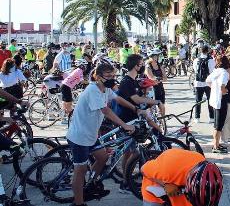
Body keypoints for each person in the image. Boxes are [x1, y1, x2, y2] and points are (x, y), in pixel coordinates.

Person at [66, 62, 139, 206]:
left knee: (103, 157)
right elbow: (105, 111)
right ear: (98, 77)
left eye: (113, 75)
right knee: (79, 171)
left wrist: (135, 109)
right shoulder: (93, 90)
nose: (112, 78)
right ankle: (78, 203)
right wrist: (124, 125)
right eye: (108, 76)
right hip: (80, 137)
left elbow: (117, 98)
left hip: (91, 136)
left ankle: (90, 184)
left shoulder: (105, 89)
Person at [116, 54, 162, 194]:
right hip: (126, 120)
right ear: (136, 65)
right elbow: (135, 99)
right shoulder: (127, 81)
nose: (142, 66)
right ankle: (125, 182)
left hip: (133, 119)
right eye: (141, 64)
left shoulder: (133, 80)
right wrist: (155, 102)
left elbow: (140, 97)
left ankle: (126, 180)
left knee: (130, 152)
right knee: (130, 152)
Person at [140, 149, 223, 206]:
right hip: (155, 188)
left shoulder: (201, 161)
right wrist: (165, 184)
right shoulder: (168, 168)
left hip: (181, 191)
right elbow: (143, 169)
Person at [206, 55, 230, 154]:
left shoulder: (216, 71)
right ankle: (216, 146)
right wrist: (224, 91)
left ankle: (216, 144)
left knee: (216, 124)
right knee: (219, 125)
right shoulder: (224, 73)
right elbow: (222, 85)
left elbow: (207, 81)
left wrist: (214, 88)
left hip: (214, 100)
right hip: (221, 101)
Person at [193, 45, 215, 123]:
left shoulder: (196, 60)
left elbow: (195, 70)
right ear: (207, 51)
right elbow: (212, 71)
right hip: (208, 83)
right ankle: (211, 117)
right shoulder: (211, 60)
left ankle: (197, 117)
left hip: (198, 83)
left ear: (200, 51)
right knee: (210, 100)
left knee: (198, 100)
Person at [145, 48, 167, 117]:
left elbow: (165, 78)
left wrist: (158, 79)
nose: (156, 58)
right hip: (151, 89)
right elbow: (151, 78)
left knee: (162, 106)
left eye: (157, 56)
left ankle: (163, 120)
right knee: (151, 107)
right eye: (155, 56)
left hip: (160, 87)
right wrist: (158, 79)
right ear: (150, 57)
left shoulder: (160, 66)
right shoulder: (148, 67)